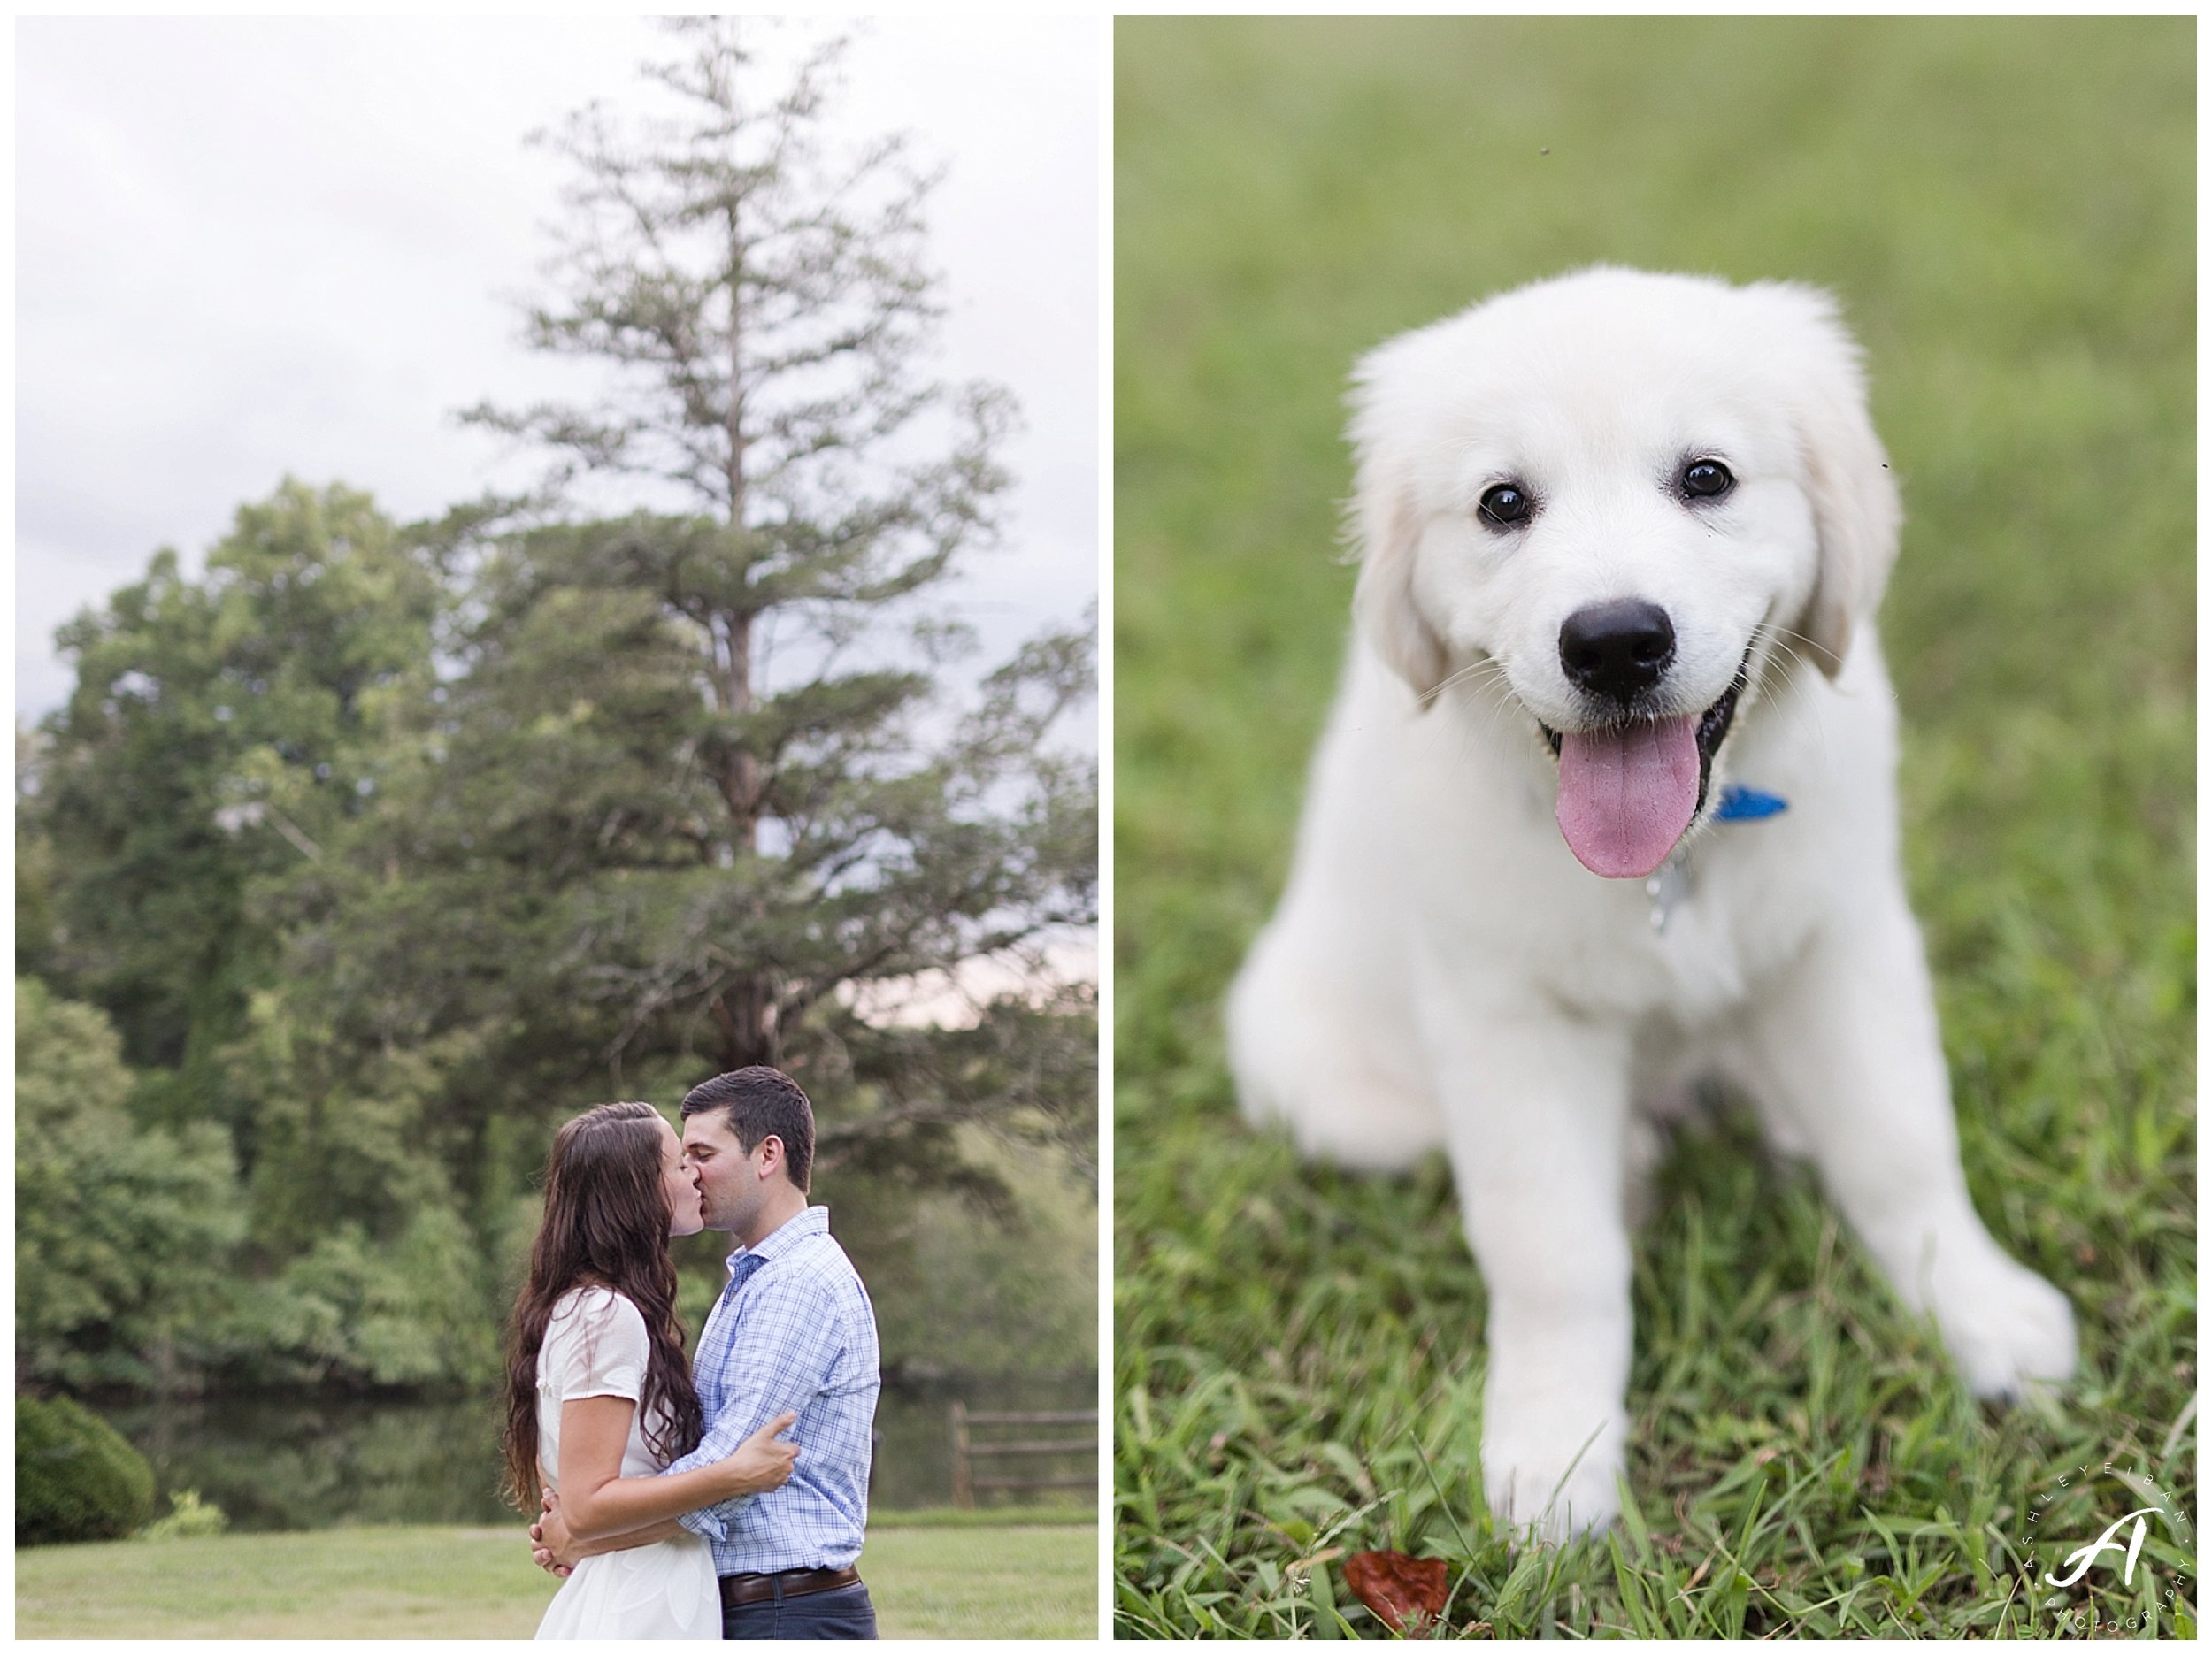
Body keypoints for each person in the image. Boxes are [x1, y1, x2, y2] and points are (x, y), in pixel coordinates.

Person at [534, 1067, 885, 1640]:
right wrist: (588, 1519)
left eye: (701, 1152)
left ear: (767, 1155)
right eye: (681, 1157)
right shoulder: (750, 1282)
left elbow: (733, 1468)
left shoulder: (800, 1283)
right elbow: (718, 1465)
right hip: (753, 1604)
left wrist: (591, 1531)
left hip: (787, 1608)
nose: (689, 1172)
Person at [502, 1100, 803, 1639]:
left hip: (643, 1585)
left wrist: (573, 1531)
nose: (694, 1174)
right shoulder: (605, 1315)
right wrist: (732, 1476)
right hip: (644, 1603)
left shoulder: (591, 1307)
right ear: (636, 1191)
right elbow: (587, 1502)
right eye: (677, 1163)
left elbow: (566, 1487)